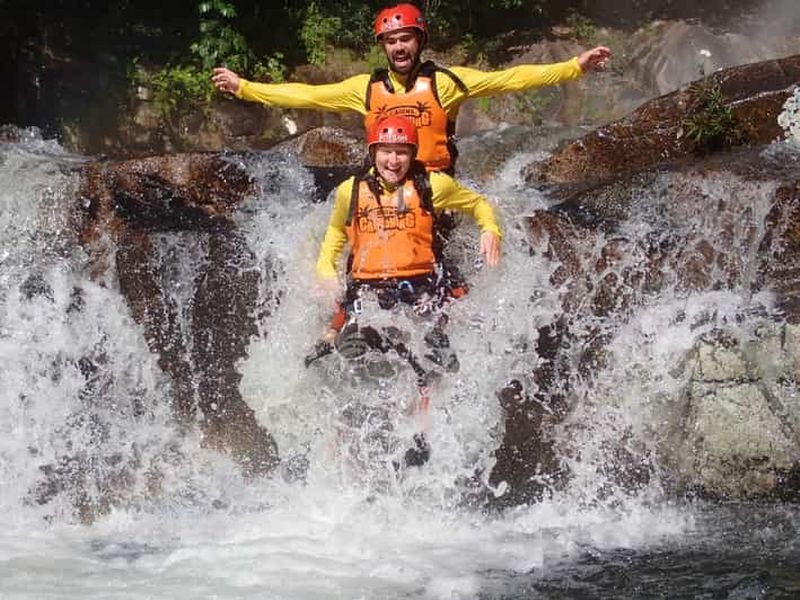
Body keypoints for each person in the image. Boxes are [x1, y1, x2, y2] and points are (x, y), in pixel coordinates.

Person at [306, 114, 502, 467]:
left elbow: (477, 204)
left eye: (401, 152)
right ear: (373, 151)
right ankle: (350, 444)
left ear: (412, 154)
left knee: (431, 357)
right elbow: (335, 233)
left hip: (420, 289)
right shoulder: (350, 191)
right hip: (368, 292)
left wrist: (490, 230)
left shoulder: (433, 185)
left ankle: (421, 435)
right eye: (385, 151)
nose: (392, 161)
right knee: (352, 353)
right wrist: (324, 268)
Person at [212, 3, 612, 174]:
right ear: (383, 46)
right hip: (384, 187)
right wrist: (245, 87)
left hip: (435, 185)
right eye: (391, 40)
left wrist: (573, 67)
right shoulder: (364, 88)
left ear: (419, 41)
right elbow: (304, 95)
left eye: (406, 38)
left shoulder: (447, 82)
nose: (399, 47)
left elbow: (511, 79)